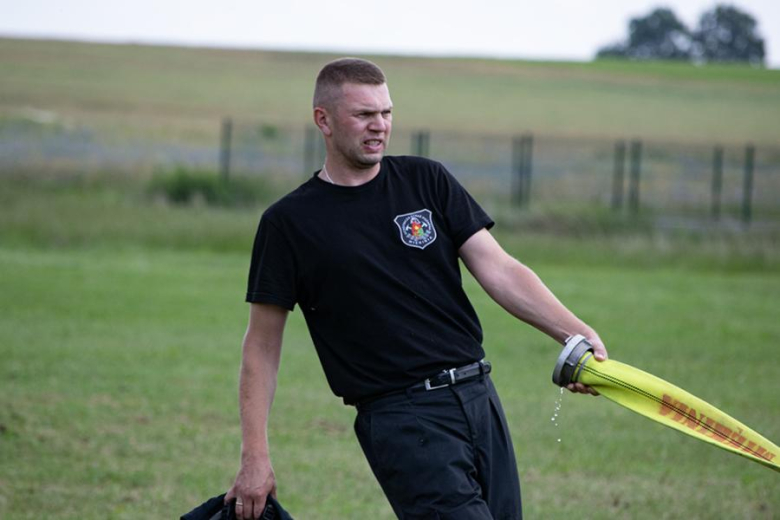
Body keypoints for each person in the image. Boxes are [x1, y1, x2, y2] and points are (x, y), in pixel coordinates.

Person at [225, 57, 608, 520]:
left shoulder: (427, 180)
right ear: (322, 120)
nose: (379, 126)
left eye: (386, 113)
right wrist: (255, 455)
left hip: (479, 397)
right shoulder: (289, 224)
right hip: (401, 418)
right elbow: (262, 345)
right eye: (364, 114)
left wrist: (575, 333)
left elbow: (500, 269)